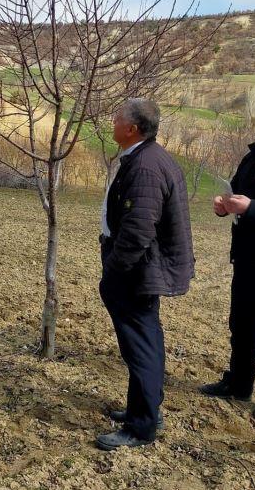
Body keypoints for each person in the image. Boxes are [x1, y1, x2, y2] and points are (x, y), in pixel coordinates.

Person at [95, 98, 194, 450]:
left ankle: (142, 426)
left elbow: (138, 230)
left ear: (132, 129)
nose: (112, 122)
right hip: (141, 268)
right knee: (145, 341)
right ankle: (146, 407)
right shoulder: (146, 157)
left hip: (137, 271)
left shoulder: (146, 167)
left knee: (142, 347)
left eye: (117, 118)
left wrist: (115, 270)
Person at [200, 100, 255, 419]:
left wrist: (252, 208)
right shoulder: (254, 156)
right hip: (247, 257)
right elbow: (238, 193)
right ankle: (238, 382)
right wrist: (225, 205)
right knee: (242, 325)